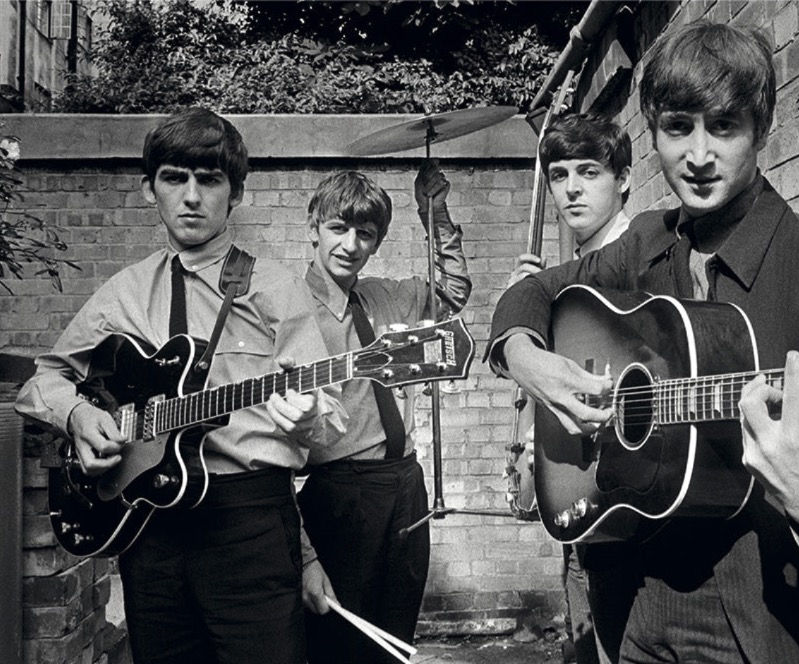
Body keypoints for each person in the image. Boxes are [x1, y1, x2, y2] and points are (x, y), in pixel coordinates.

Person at [486, 22, 799, 664]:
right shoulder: (641, 248)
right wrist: (527, 359)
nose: (700, 154)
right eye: (679, 127)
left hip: (768, 614)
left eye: (725, 126)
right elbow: (538, 293)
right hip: (632, 604)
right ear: (654, 132)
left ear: (761, 129)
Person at [15, 107, 335, 664]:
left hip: (248, 524)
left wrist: (307, 414)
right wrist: (78, 417)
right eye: (174, 178)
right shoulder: (124, 292)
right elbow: (46, 377)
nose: (191, 196)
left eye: (209, 180)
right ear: (149, 190)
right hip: (149, 526)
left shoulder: (276, 289)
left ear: (235, 193)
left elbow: (327, 414)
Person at [296, 165, 471, 664]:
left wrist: (434, 212)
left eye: (365, 234)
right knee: (339, 643)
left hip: (405, 487)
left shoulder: (388, 295)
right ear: (313, 227)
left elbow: (453, 292)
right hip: (339, 492)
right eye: (338, 228)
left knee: (396, 637)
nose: (351, 244)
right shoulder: (285, 309)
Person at [507, 111, 634, 664]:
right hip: (581, 500)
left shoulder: (639, 264)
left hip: (627, 511)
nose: (572, 189)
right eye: (559, 175)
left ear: (623, 178)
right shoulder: (568, 275)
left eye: (589, 171)